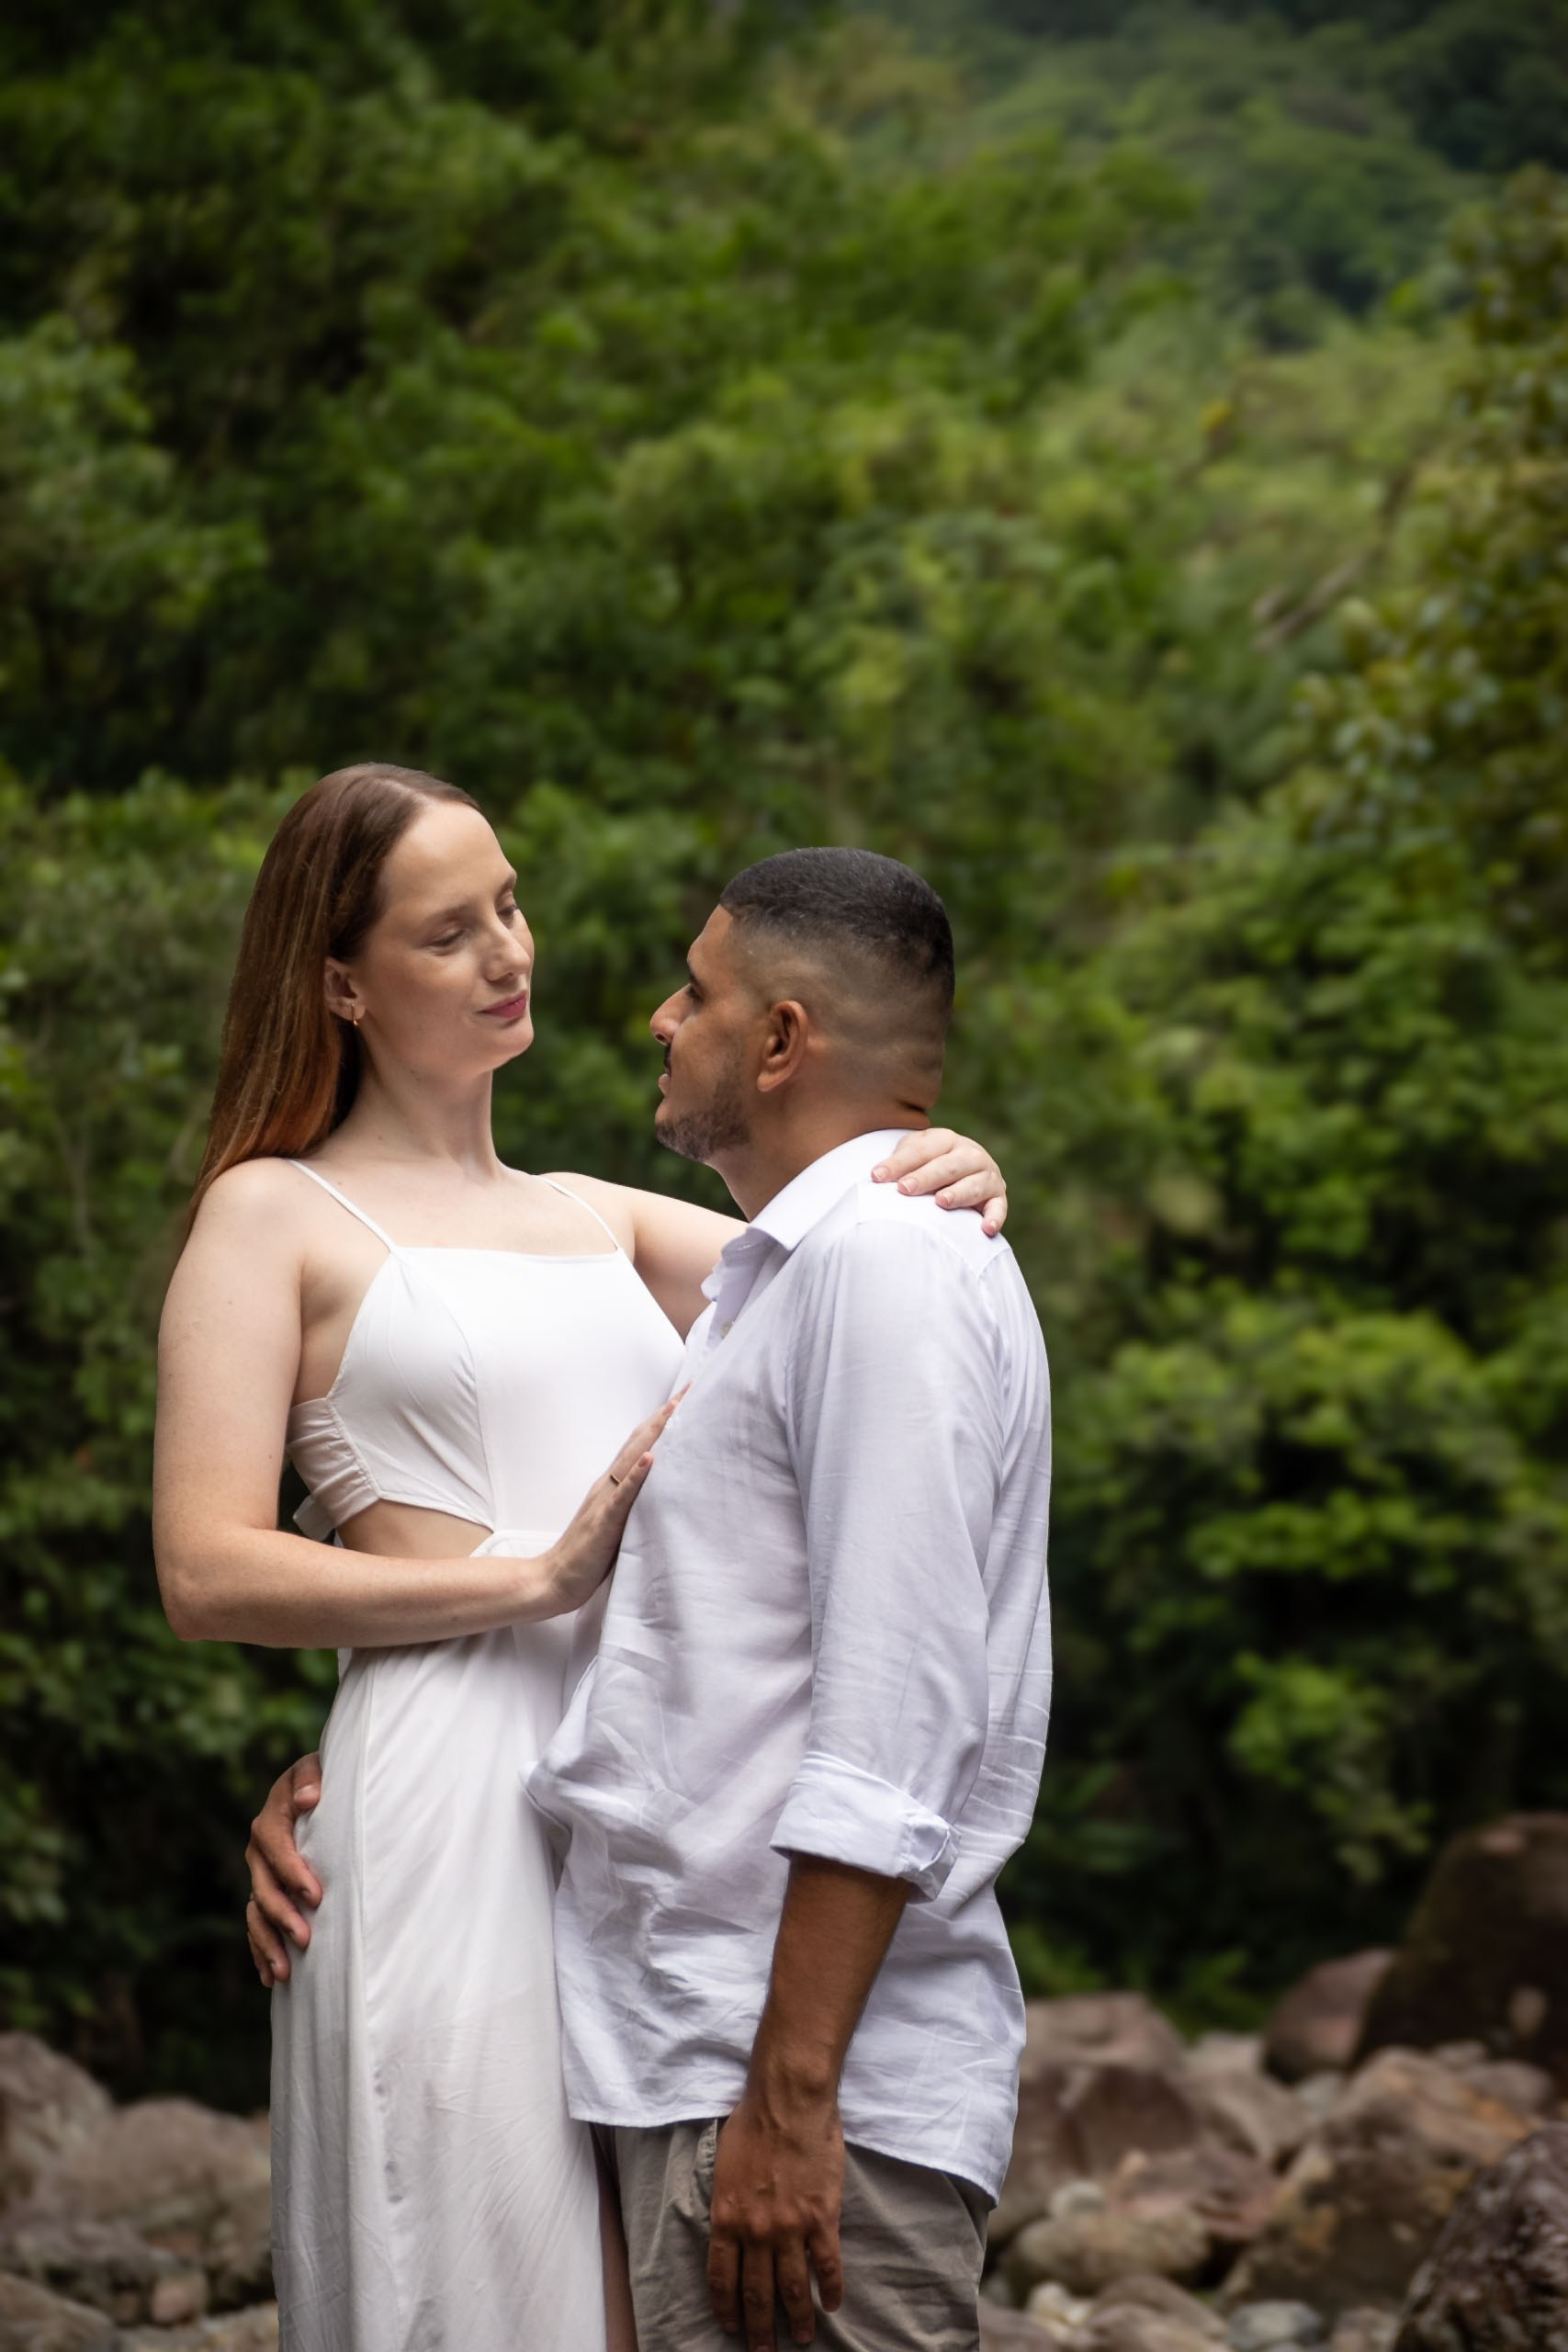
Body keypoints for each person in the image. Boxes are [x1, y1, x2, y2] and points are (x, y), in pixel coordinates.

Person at [157, 763, 1011, 2352]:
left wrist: (952, 1151)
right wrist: (528, 1587)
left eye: (508, 906)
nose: (509, 954)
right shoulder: (271, 1215)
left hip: (651, 1827)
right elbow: (207, 1570)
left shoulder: (603, 1220)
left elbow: (850, 1248)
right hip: (451, 1800)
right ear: (339, 983)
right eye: (446, 934)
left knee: (654, 2297)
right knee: (483, 2282)